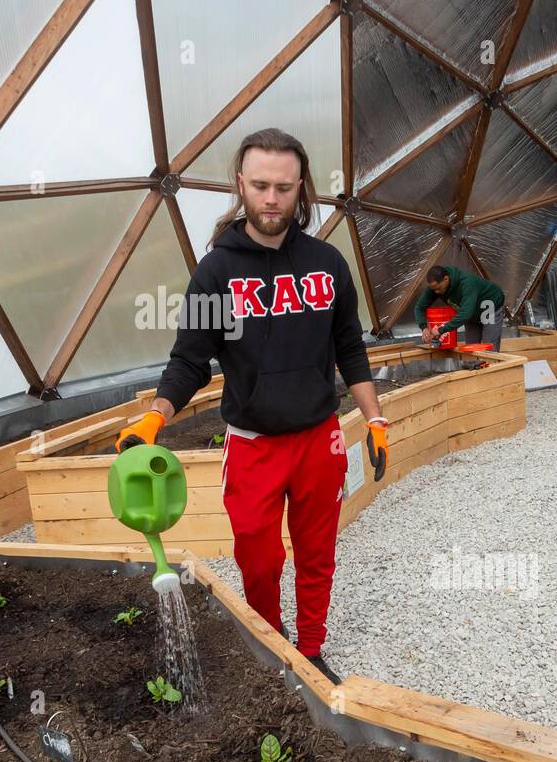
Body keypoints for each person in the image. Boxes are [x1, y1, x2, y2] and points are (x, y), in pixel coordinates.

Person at [115, 128, 390, 685]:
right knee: (260, 562)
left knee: (317, 555)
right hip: (253, 446)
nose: (271, 198)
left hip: (319, 439)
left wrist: (376, 419)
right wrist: (155, 417)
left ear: (301, 189)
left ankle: (311, 650)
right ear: (240, 185)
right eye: (260, 185)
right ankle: (271, 644)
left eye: (284, 187)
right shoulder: (217, 273)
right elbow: (190, 360)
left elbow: (350, 348)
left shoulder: (327, 262)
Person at [414, 264, 506, 349]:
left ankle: (492, 365)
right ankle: (473, 365)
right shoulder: (435, 287)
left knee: (488, 348)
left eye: (438, 288)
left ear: (446, 279)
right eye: (433, 289)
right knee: (471, 349)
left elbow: (465, 314)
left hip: (489, 307)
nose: (436, 292)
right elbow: (419, 307)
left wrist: (441, 330)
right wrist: (424, 327)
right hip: (472, 312)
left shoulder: (467, 283)